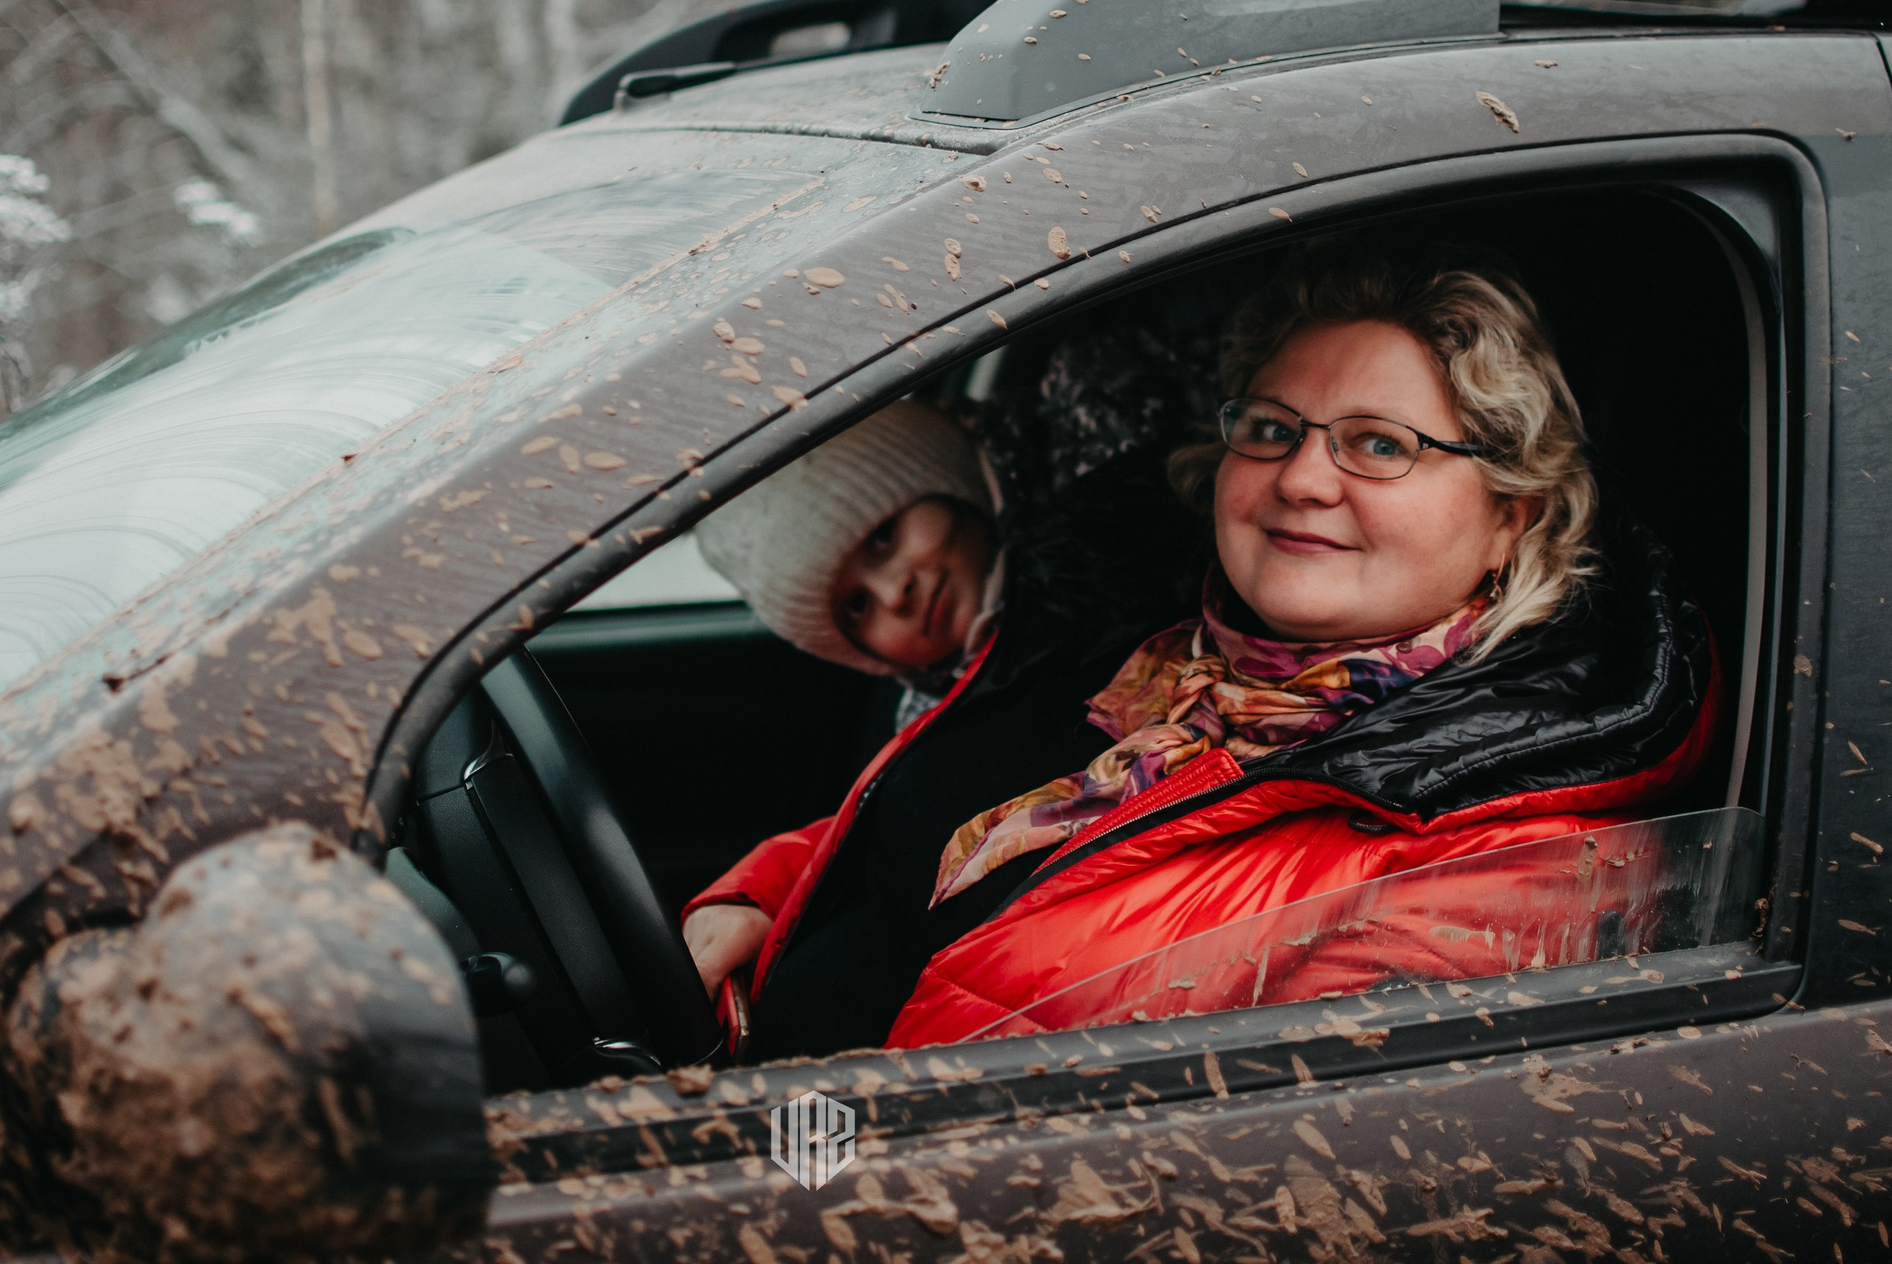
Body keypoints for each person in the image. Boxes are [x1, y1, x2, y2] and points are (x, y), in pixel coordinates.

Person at [689, 236, 1724, 1055]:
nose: (1302, 478)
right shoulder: (1134, 642)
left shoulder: (1501, 844)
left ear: (1512, 513)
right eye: (1272, 427)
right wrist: (763, 897)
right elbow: (961, 837)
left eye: (1379, 443)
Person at [684, 399, 1203, 1057]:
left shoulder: (1099, 612)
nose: (895, 591)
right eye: (857, 605)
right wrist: (766, 891)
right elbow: (906, 818)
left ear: (948, 474)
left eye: (883, 538)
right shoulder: (942, 696)